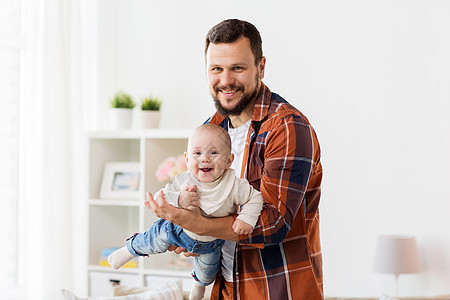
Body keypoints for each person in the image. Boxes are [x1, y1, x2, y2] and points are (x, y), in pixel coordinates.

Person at [146, 19, 323, 299]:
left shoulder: (287, 127)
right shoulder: (213, 128)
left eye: (237, 68)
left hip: (275, 289)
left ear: (260, 67)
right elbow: (209, 208)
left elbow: (273, 222)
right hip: (225, 288)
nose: (225, 80)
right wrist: (187, 232)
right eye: (216, 69)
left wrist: (197, 225)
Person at [108, 123, 263, 300]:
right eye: (197, 153)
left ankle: (197, 286)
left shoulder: (234, 185)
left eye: (214, 153)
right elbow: (163, 197)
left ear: (229, 160)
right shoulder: (184, 180)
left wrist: (246, 219)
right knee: (154, 239)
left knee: (207, 273)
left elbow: (255, 198)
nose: (205, 159)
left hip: (211, 243)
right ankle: (129, 250)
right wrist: (180, 199)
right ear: (187, 159)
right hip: (178, 231)